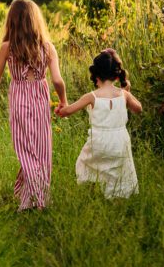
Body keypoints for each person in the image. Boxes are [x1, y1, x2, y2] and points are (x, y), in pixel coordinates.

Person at [0, 0, 67, 209]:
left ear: (11, 21)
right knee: (41, 149)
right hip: (40, 98)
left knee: (24, 148)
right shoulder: (48, 48)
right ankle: (35, 195)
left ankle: (36, 198)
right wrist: (63, 101)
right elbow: (57, 80)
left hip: (19, 97)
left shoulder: (7, 47)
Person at [58, 49, 141, 198]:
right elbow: (138, 109)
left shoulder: (92, 96)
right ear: (116, 75)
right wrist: (127, 91)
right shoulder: (123, 94)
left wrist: (59, 107)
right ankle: (116, 196)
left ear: (96, 75)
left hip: (99, 143)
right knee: (118, 171)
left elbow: (67, 111)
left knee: (84, 163)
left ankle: (93, 194)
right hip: (120, 142)